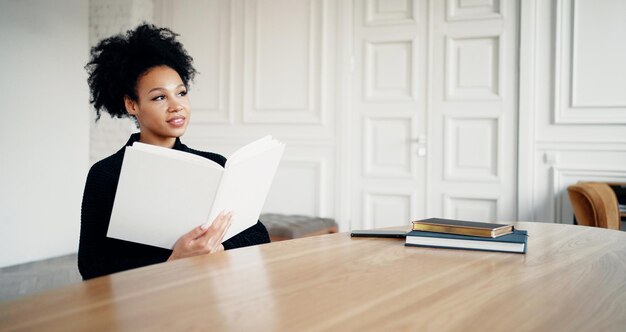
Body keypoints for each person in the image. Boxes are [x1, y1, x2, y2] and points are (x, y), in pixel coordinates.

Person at [78, 23, 270, 280]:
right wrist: (174, 260)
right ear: (132, 104)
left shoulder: (215, 164)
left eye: (181, 93)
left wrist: (217, 247)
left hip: (208, 294)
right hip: (143, 305)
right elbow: (91, 266)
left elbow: (259, 235)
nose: (176, 106)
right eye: (160, 97)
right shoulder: (107, 174)